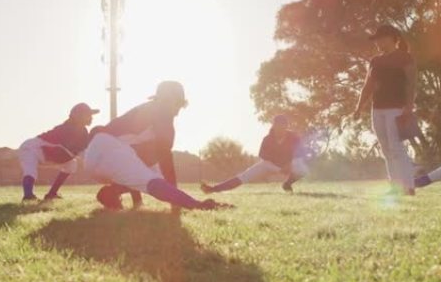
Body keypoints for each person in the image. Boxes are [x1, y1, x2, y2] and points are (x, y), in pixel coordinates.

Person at [84, 81, 222, 210]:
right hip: (106, 149)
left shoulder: (149, 110)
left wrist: (138, 202)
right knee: (158, 183)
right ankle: (198, 205)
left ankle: (110, 193)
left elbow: (135, 160)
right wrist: (183, 203)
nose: (178, 108)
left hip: (100, 154)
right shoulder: (161, 114)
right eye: (177, 102)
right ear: (164, 100)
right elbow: (165, 160)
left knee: (156, 175)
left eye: (181, 103)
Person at [353, 24, 418, 195]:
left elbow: (411, 84)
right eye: (376, 40)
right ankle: (395, 187)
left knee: (396, 148)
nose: (377, 42)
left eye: (380, 38)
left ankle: (408, 186)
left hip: (396, 109)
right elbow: (368, 86)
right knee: (386, 149)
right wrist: (359, 107)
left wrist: (409, 106)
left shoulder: (405, 58)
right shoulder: (375, 61)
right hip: (377, 110)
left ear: (391, 38)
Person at [200, 115, 310, 194]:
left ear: (286, 126)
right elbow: (263, 155)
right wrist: (278, 167)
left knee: (303, 168)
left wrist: (289, 164)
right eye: (277, 126)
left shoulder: (294, 137)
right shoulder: (267, 139)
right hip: (270, 165)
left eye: (282, 126)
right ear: (273, 126)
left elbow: (301, 153)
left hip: (289, 164)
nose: (279, 129)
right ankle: (213, 189)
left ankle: (287, 184)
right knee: (244, 176)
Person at [18, 103, 99, 201]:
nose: (90, 117)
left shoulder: (82, 130)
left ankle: (52, 194)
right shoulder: (67, 128)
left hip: (48, 153)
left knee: (71, 165)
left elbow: (82, 150)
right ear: (79, 116)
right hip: (31, 148)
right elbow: (75, 149)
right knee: (31, 170)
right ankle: (28, 196)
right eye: (88, 114)